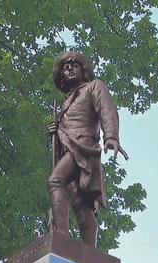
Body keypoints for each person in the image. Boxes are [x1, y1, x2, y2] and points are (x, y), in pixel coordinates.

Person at [47, 51, 128, 247]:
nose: (69, 68)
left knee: (55, 181)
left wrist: (111, 137)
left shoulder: (94, 87)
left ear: (84, 71)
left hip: (84, 148)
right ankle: (89, 252)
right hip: (68, 151)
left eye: (74, 65)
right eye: (65, 67)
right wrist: (55, 130)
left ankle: (61, 236)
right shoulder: (66, 102)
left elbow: (107, 110)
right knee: (81, 205)